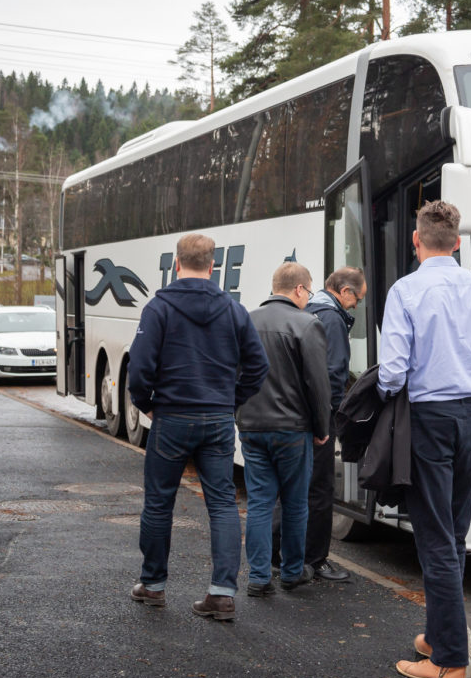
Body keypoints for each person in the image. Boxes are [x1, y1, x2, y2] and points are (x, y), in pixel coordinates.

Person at [379, 200, 471, 678]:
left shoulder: (406, 290)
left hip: (429, 416)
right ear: (456, 242)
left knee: (433, 535)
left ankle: (449, 659)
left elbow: (393, 371)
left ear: (416, 241)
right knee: (453, 532)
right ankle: (439, 633)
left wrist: (389, 401)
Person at [127, 233, 269, 622]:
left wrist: (147, 405)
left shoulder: (159, 308)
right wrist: (231, 400)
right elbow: (258, 366)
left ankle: (153, 585)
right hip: (218, 421)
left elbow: (138, 369)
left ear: (176, 264)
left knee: (159, 502)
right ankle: (221, 594)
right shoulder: (234, 310)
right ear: (212, 266)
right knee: (223, 503)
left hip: (171, 418)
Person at [236, 262, 333, 596]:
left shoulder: (246, 320)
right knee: (294, 503)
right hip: (293, 429)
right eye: (308, 291)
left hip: (252, 427)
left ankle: (259, 578)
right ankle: (292, 572)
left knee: (260, 502)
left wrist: (240, 414)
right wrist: (322, 427)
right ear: (299, 290)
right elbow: (318, 384)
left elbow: (233, 372)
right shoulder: (308, 324)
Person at [299, 266, 367, 582]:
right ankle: (316, 559)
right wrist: (334, 419)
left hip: (295, 414)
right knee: (321, 488)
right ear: (344, 292)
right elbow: (335, 373)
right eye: (357, 299)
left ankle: (279, 556)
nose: (356, 306)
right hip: (320, 415)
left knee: (290, 488)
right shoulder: (332, 319)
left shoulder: (305, 311)